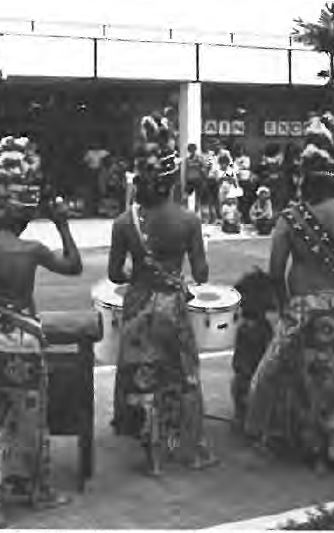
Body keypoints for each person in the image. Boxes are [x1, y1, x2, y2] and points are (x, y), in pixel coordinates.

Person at [245, 117, 334, 472]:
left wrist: (284, 306)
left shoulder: (290, 219)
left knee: (284, 374)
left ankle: (291, 438)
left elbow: (275, 273)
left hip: (302, 308)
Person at [0, 136, 81, 526]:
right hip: (24, 343)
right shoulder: (31, 249)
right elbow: (73, 266)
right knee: (30, 422)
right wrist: (63, 224)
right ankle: (36, 491)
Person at [108, 145, 218, 476]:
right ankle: (189, 448)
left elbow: (115, 273)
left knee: (143, 375)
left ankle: (152, 455)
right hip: (172, 306)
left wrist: (139, 271)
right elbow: (201, 274)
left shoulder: (124, 222)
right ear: (173, 181)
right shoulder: (189, 220)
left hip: (139, 304)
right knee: (182, 376)